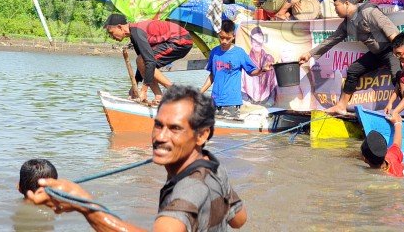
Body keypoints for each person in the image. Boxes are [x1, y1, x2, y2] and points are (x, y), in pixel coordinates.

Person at [27, 85, 248, 231]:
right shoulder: (214, 167)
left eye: (174, 129)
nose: (160, 137)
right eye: (158, 125)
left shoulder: (188, 189)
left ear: (202, 134)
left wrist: (86, 206)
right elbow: (239, 220)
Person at [297, 0, 401, 115]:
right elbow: (331, 40)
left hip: (391, 50)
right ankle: (341, 106)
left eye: (336, 6)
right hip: (376, 54)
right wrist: (309, 54)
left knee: (399, 78)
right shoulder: (347, 23)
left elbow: (392, 33)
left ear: (346, 3)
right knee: (353, 70)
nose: (334, 10)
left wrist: (401, 54)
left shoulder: (368, 11)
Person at [105, 13, 192, 105]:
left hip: (180, 40)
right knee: (141, 60)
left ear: (120, 27)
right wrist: (134, 86)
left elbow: (149, 61)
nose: (112, 37)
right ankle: (159, 96)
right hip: (176, 40)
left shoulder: (137, 32)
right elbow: (142, 64)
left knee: (145, 61)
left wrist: (144, 91)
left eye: (111, 33)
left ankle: (174, 91)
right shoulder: (134, 34)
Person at [200, 20, 274, 118]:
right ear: (218, 34)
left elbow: (252, 72)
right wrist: (200, 92)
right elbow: (212, 76)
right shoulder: (214, 52)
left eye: (228, 38)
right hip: (215, 100)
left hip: (232, 103)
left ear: (233, 36)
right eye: (221, 38)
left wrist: (262, 69)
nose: (224, 41)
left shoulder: (239, 53)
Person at [360, 113, 404, 177]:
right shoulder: (391, 155)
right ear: (386, 151)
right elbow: (397, 143)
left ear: (365, 159)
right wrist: (398, 123)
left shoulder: (377, 176)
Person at [241, 27, 277, 105]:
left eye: (260, 40)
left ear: (263, 41)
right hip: (248, 101)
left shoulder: (269, 59)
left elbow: (273, 82)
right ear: (251, 42)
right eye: (254, 40)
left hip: (266, 102)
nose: (257, 43)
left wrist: (270, 101)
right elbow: (241, 83)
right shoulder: (245, 59)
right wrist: (246, 101)